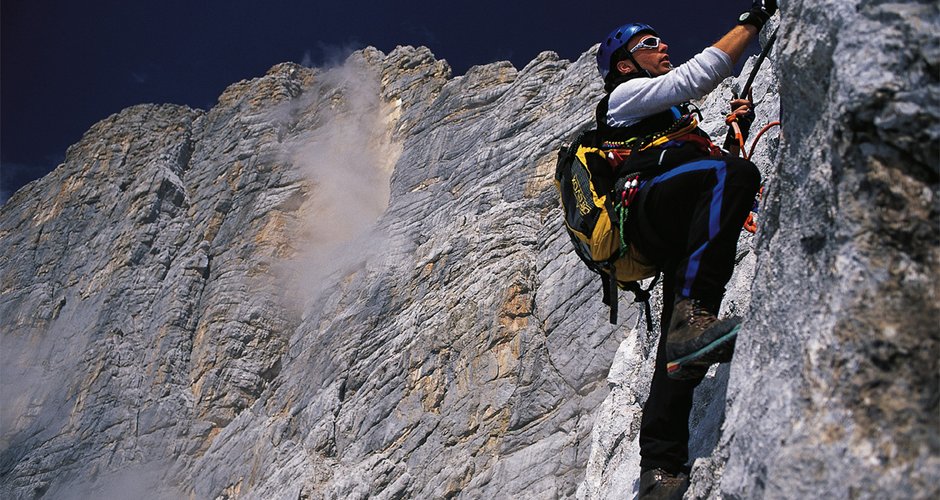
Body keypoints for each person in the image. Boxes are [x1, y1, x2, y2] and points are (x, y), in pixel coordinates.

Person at [592, 1, 777, 498]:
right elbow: (700, 74)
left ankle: (659, 468)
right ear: (625, 65)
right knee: (734, 175)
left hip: (667, 223)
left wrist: (732, 131)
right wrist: (752, 22)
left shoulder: (668, 122)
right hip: (644, 207)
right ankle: (693, 321)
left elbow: (706, 190)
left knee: (678, 352)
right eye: (649, 44)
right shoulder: (625, 97)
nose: (663, 46)